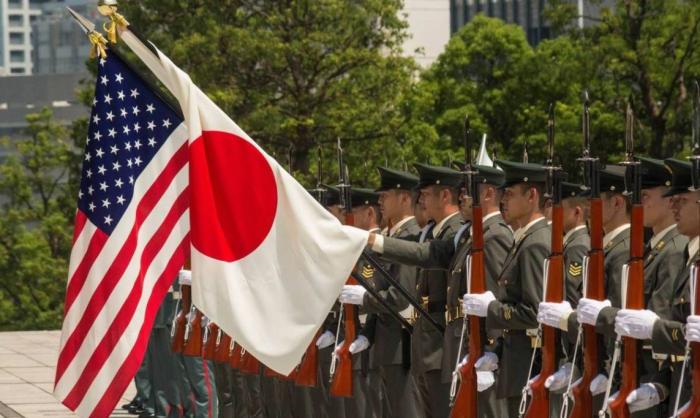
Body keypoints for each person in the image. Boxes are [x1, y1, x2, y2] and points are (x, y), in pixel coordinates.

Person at [463, 160, 551, 417]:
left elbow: (533, 312)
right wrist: (497, 350)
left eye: (510, 194)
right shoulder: (523, 239)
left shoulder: (535, 243)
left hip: (528, 364)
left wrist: (491, 309)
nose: (504, 200)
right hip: (517, 364)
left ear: (532, 195)